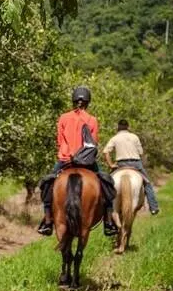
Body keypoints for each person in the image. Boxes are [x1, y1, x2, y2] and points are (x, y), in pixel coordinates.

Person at [37, 86, 119, 237]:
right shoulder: (92, 120)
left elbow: (60, 140)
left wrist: (68, 152)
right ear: (88, 102)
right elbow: (93, 142)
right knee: (107, 185)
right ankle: (108, 222)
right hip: (86, 163)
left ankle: (47, 221)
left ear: (73, 101)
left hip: (65, 160)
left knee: (47, 185)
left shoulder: (63, 118)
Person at [103, 119, 159, 214]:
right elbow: (141, 152)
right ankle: (153, 207)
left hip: (121, 164)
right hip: (136, 164)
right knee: (147, 183)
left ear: (118, 127)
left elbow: (105, 152)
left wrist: (111, 164)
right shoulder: (134, 137)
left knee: (107, 184)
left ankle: (106, 209)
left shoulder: (115, 138)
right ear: (128, 127)